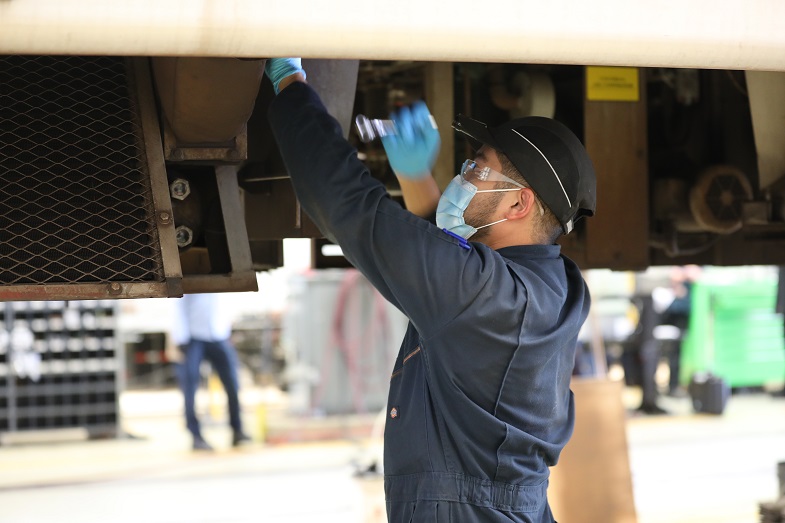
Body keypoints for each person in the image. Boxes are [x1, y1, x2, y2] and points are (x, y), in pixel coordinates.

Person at [264, 59, 596, 522]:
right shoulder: (558, 286)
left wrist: (290, 82)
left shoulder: (484, 294)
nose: (462, 177)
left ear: (519, 203)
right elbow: (451, 277)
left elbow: (345, 203)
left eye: (477, 171)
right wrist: (416, 180)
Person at [173, 293, 250, 451]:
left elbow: (224, 305)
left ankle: (237, 429)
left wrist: (228, 331)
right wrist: (181, 338)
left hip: (218, 336)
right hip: (194, 337)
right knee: (190, 387)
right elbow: (178, 306)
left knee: (232, 383)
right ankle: (195, 436)